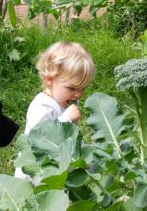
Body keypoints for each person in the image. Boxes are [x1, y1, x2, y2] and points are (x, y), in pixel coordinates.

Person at [15, 41, 95, 180]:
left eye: (83, 88)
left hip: (57, 167)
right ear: (50, 80)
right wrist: (67, 120)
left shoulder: (66, 101)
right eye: (72, 88)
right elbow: (39, 137)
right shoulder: (42, 107)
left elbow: (71, 136)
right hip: (35, 172)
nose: (78, 94)